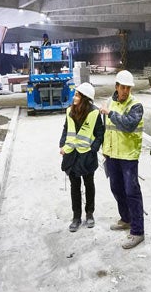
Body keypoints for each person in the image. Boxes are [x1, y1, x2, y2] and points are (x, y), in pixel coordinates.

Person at [100, 69, 145, 249]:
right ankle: (126, 219)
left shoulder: (136, 105)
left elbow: (128, 125)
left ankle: (137, 231)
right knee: (116, 188)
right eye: (123, 87)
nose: (125, 91)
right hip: (112, 155)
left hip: (128, 156)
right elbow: (107, 129)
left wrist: (110, 113)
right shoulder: (110, 102)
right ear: (116, 86)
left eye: (128, 88)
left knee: (132, 192)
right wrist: (105, 149)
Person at [59, 82, 104, 232]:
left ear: (85, 98)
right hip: (71, 155)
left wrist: (93, 150)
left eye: (77, 95)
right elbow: (66, 129)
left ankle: (89, 214)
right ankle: (76, 217)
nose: (74, 97)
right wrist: (62, 144)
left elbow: (100, 134)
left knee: (89, 184)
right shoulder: (69, 111)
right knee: (75, 186)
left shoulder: (94, 113)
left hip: (87, 156)